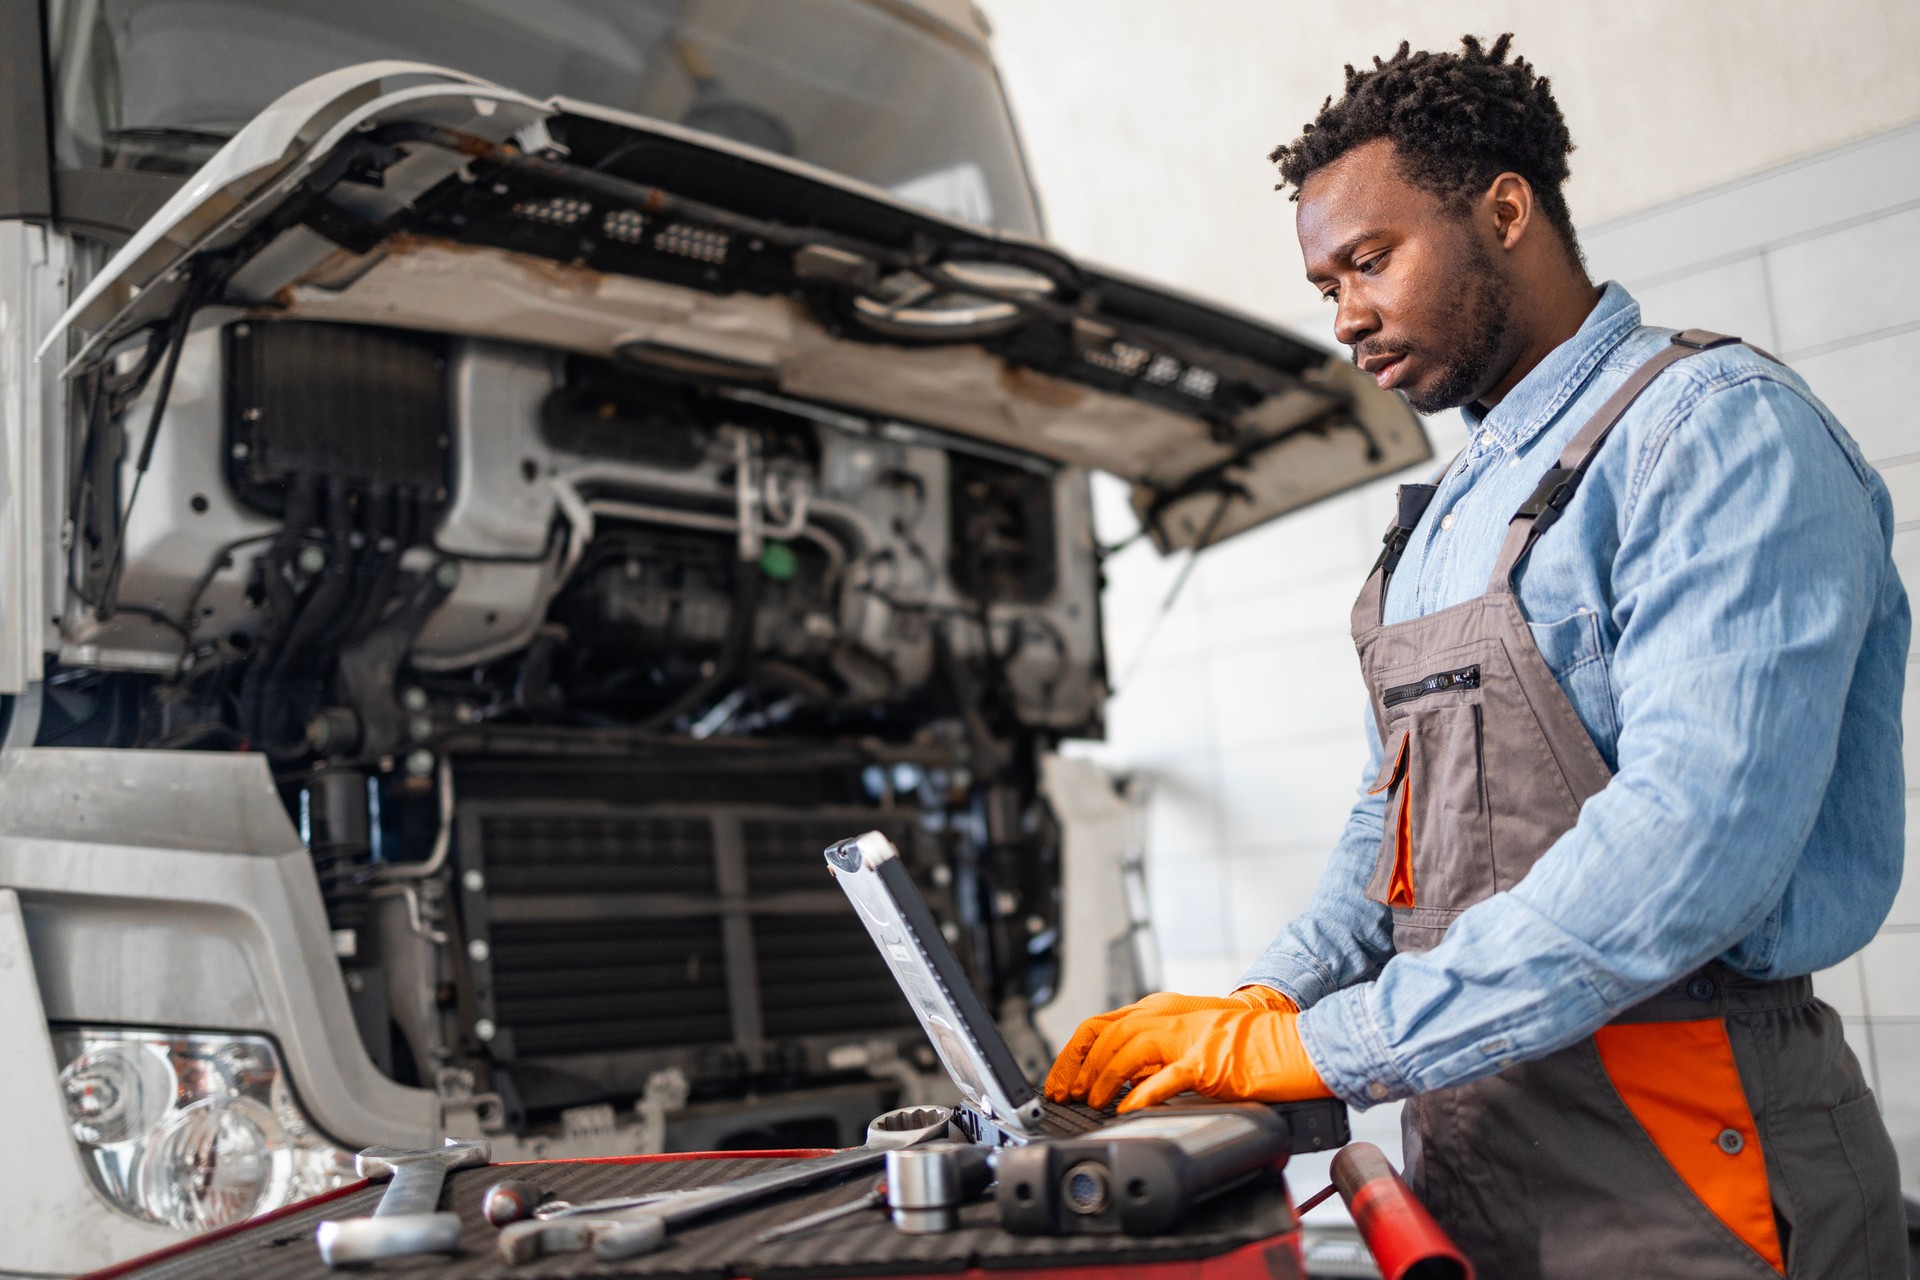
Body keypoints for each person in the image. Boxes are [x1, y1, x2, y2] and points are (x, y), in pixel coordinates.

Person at [1046, 34, 1910, 1278]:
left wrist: (1327, 1049)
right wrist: (1266, 1005)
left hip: (1688, 1157)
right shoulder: (1450, 514)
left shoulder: (1712, 433)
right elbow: (1384, 841)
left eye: (1369, 261)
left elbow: (1690, 843)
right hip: (1471, 1148)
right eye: (1324, 285)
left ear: (1505, 211)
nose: (1344, 316)